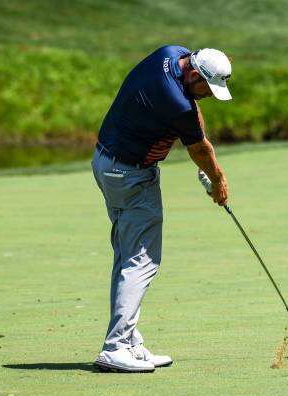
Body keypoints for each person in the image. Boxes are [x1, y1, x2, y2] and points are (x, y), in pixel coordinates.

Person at [91, 45, 231, 372]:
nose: (208, 96)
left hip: (106, 162)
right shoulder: (176, 102)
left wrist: (205, 159)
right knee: (142, 260)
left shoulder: (171, 53)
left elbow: (193, 117)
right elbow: (197, 146)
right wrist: (217, 180)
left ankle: (128, 341)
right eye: (207, 89)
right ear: (194, 74)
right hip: (131, 175)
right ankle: (115, 347)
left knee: (127, 255)